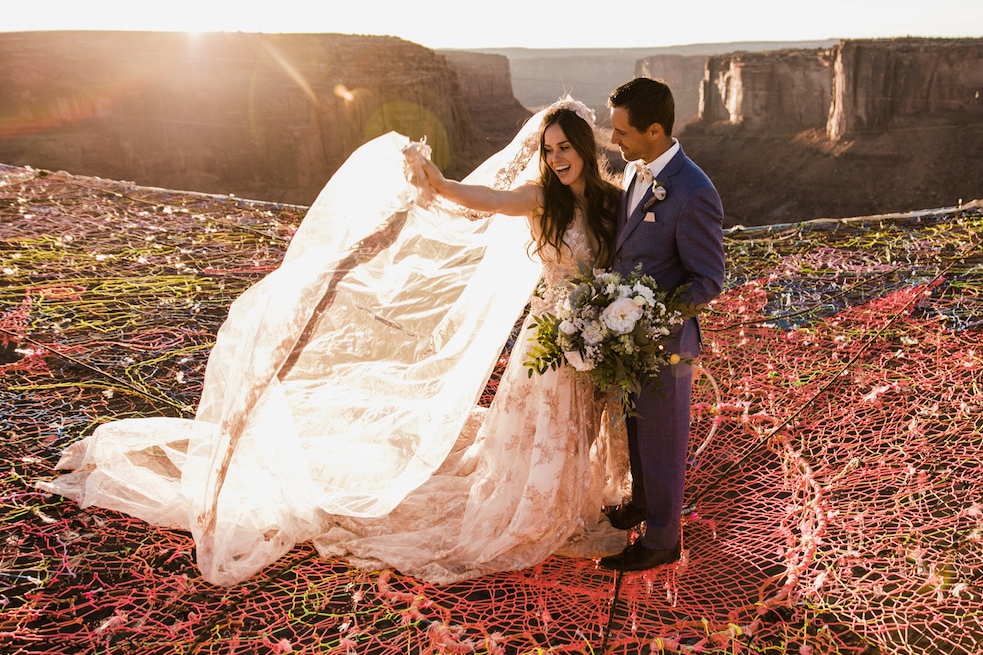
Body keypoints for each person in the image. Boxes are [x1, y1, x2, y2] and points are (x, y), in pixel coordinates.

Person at [39, 98, 631, 586]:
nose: (556, 159)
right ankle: (535, 507)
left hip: (593, 334)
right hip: (548, 339)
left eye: (565, 149)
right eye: (549, 150)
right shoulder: (539, 201)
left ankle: (571, 497)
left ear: (585, 147)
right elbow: (488, 202)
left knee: (579, 422)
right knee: (543, 424)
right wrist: (441, 183)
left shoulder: (609, 202)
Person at [598, 77, 726, 573]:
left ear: (655, 130)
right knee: (636, 430)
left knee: (664, 439)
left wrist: (650, 319)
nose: (615, 141)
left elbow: (708, 279)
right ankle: (642, 504)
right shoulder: (637, 171)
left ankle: (663, 540)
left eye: (622, 132)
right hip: (626, 339)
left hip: (665, 344)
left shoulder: (695, 191)